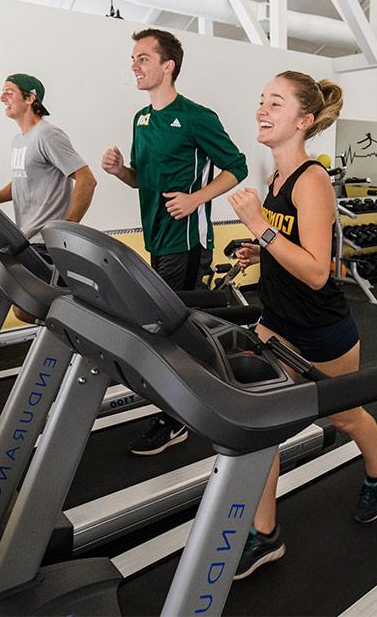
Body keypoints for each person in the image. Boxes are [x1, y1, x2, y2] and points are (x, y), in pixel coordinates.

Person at [227, 71, 377, 580]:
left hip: (322, 331)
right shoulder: (275, 179)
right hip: (276, 322)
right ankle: (265, 534)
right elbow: (292, 248)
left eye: (274, 103)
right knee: (261, 425)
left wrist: (258, 225)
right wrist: (260, 249)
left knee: (345, 417)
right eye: (261, 100)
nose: (262, 109)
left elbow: (319, 271)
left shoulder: (312, 180)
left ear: (302, 120)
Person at [100, 29, 249, 456]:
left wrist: (197, 198)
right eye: (133, 58)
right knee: (167, 324)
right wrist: (118, 171)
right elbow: (141, 181)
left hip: (187, 240)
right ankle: (190, 396)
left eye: (144, 58)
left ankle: (179, 417)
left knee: (170, 328)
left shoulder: (197, 116)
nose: (135, 65)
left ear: (168, 66)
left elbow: (236, 166)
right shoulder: (142, 119)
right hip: (157, 236)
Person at [0, 73, 97, 322]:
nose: (2, 97)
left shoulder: (49, 135)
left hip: (44, 242)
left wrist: (66, 228)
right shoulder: (19, 140)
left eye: (9, 91)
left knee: (27, 309)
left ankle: (74, 340)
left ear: (30, 98)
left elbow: (86, 179)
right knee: (23, 308)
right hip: (25, 240)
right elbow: (18, 183)